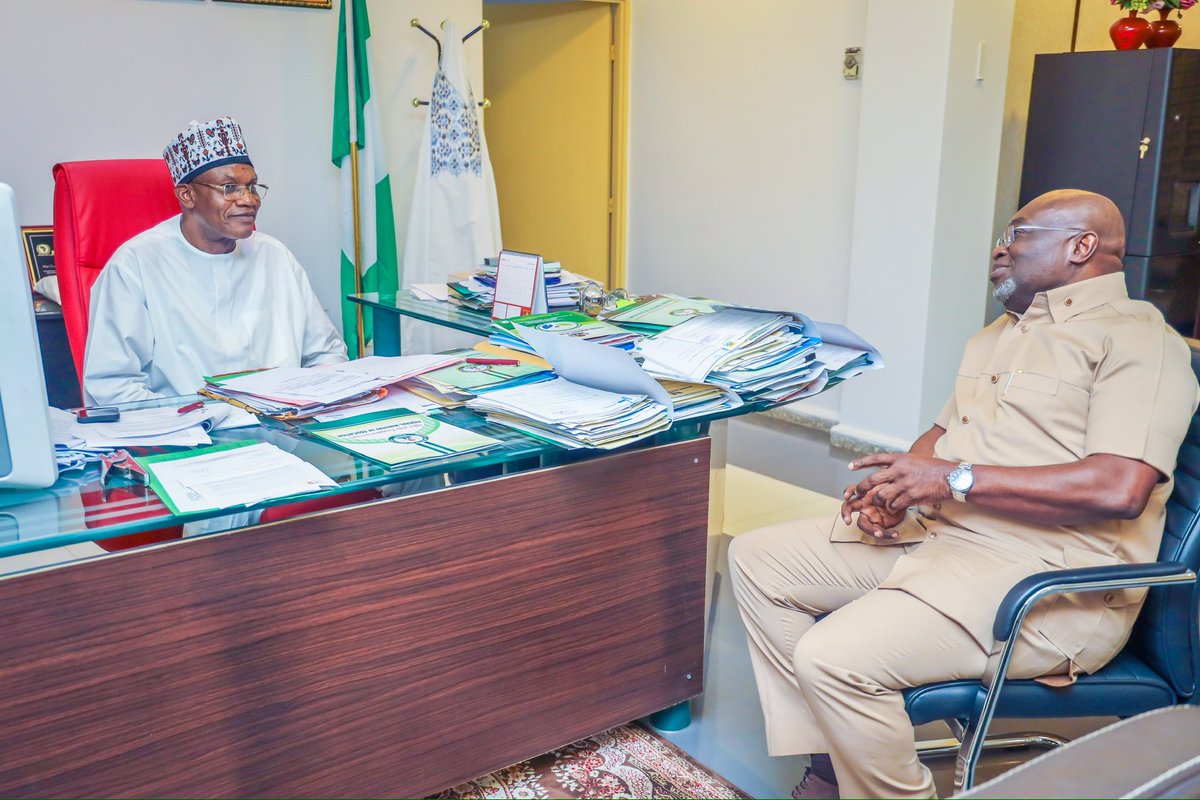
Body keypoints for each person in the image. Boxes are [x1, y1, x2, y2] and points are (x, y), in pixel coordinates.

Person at [728, 189, 1200, 799]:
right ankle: (831, 762)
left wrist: (953, 480)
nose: (1000, 249)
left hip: (1045, 584)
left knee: (832, 657)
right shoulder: (998, 335)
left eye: (1020, 233)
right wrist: (897, 488)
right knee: (759, 560)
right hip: (945, 541)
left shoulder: (1139, 341)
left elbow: (1120, 486)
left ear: (1081, 246)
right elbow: (945, 436)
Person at [83, 115, 347, 405]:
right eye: (230, 188)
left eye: (252, 186)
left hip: (285, 430)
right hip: (192, 435)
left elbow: (325, 353)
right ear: (187, 195)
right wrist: (201, 421)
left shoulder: (275, 256)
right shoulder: (136, 264)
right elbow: (112, 387)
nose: (249, 199)